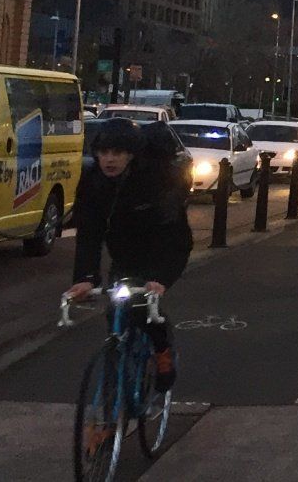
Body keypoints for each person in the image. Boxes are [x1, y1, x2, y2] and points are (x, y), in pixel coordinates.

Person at [68, 117, 193, 391]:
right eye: (104, 153)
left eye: (118, 153)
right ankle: (112, 406)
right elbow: (89, 233)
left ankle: (163, 353)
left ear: (132, 155)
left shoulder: (155, 179)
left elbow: (175, 236)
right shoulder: (92, 180)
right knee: (116, 311)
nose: (109, 160)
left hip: (160, 246)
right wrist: (86, 277)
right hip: (123, 250)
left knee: (144, 310)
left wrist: (161, 278)